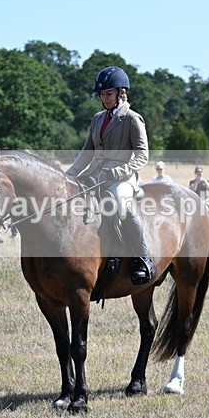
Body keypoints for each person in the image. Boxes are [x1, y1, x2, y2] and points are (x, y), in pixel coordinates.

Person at [65, 66, 155, 285]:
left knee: (119, 205)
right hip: (96, 173)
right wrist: (68, 175)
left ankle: (142, 258)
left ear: (120, 93)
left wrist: (118, 172)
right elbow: (87, 152)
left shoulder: (133, 119)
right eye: (102, 95)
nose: (104, 98)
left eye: (108, 94)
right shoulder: (97, 119)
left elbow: (142, 155)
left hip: (123, 176)